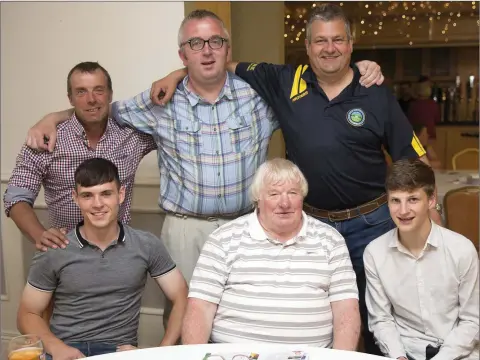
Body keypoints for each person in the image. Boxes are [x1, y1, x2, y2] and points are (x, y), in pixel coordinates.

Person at [149, 4, 442, 355]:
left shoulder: (375, 91)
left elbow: (414, 161)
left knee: (376, 314)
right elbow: (215, 63)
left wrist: (434, 213)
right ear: (307, 46)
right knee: (315, 313)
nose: (329, 48)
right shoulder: (285, 81)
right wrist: (175, 75)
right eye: (320, 41)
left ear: (351, 45)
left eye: (337, 40)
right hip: (312, 225)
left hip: (372, 224)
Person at [23, 10, 382, 284]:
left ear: (227, 49)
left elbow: (322, 87)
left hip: (248, 226)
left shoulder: (260, 96)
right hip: (185, 230)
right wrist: (54, 117)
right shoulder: (158, 101)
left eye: (215, 42)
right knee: (183, 320)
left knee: (244, 314)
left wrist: (360, 66)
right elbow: (97, 108)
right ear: (183, 55)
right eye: (196, 44)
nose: (206, 51)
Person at [17, 158, 188, 359]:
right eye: (87, 195)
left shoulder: (146, 244)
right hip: (65, 348)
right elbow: (27, 314)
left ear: (120, 194)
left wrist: (162, 351)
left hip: (119, 352)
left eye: (106, 194)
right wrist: (56, 347)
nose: (97, 204)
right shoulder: (55, 248)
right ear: (75, 198)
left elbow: (181, 295)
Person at [183, 158, 360, 348]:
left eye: (292, 193)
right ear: (258, 199)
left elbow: (346, 311)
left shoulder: (330, 240)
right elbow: (200, 309)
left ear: (303, 196)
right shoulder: (223, 239)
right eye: (274, 194)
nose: (284, 203)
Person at [4, 61, 157, 252]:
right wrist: (39, 235)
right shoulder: (46, 139)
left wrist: (175, 75)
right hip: (67, 252)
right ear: (70, 98)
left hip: (119, 252)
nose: (91, 99)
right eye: (81, 92)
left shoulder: (132, 136)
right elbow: (16, 197)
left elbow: (170, 125)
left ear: (110, 94)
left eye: (98, 90)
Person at [364, 158, 479, 360]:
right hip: (405, 353)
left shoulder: (461, 250)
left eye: (413, 199)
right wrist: (399, 356)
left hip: (458, 353)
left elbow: (471, 321)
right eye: (395, 200)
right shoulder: (375, 253)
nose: (403, 211)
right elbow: (381, 320)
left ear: (432, 200)